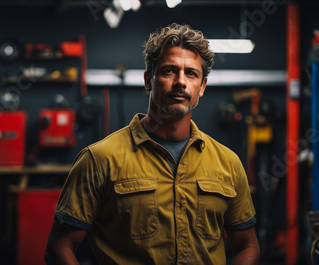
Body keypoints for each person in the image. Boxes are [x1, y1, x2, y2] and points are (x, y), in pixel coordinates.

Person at [45, 23, 260, 265]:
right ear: (148, 80)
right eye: (169, 71)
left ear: (202, 87)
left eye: (191, 73)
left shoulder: (228, 163)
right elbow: (59, 247)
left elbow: (248, 245)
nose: (180, 81)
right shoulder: (99, 160)